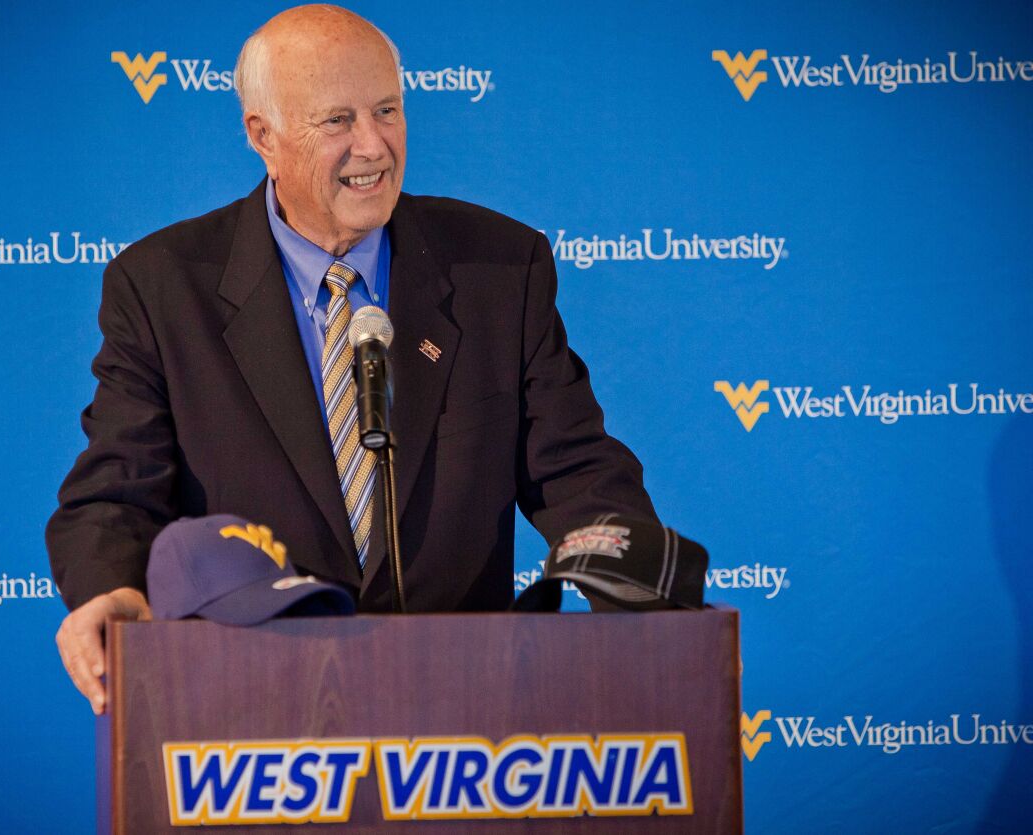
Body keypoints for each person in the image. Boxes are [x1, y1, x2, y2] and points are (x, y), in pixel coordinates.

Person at [48, 4, 656, 715]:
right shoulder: (161, 286)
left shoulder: (498, 267)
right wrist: (108, 586)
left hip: (463, 711)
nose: (374, 146)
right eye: (338, 121)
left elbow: (576, 467)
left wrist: (644, 584)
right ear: (263, 136)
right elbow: (118, 486)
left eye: (388, 110)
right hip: (251, 706)